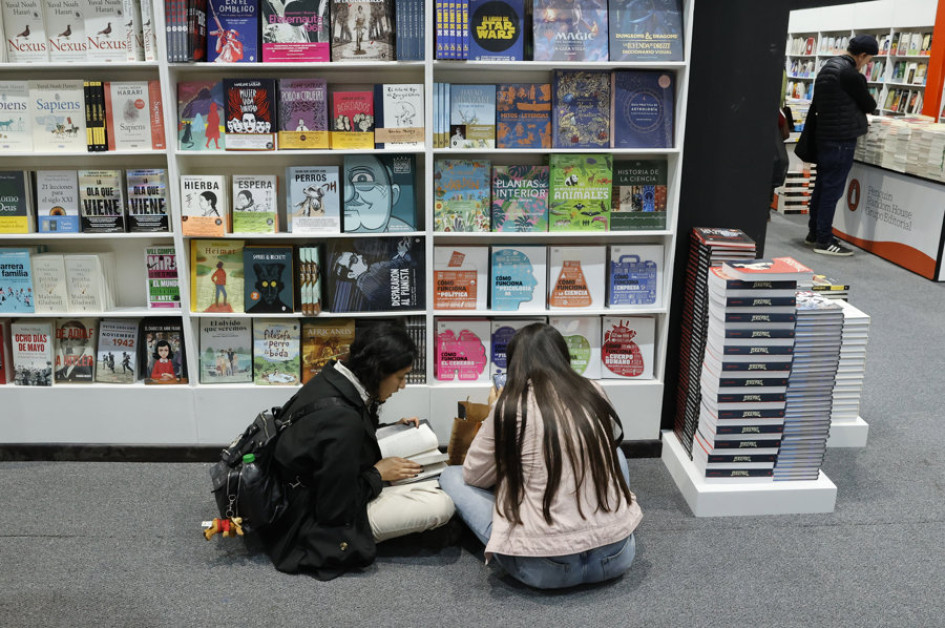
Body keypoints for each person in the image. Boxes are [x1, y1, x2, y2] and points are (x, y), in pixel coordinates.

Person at [439, 323, 642, 589]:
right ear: (562, 357)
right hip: (617, 556)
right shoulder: (593, 389)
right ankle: (609, 522)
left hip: (545, 568)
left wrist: (493, 412)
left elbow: (474, 474)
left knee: (451, 475)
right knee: (615, 452)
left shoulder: (509, 406)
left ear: (515, 365)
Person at [260, 323, 455, 580]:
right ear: (378, 372)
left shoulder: (334, 377)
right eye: (400, 377)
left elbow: (332, 448)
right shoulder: (343, 422)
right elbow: (334, 510)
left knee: (423, 476)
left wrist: (390, 430)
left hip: (298, 493)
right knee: (441, 504)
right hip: (306, 524)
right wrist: (378, 474)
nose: (403, 386)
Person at [804, 34, 878, 256]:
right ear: (862, 55)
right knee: (832, 191)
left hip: (824, 137)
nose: (867, 64)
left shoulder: (828, 67)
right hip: (841, 140)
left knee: (821, 187)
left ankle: (814, 233)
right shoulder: (850, 74)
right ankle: (824, 240)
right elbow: (870, 104)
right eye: (868, 60)